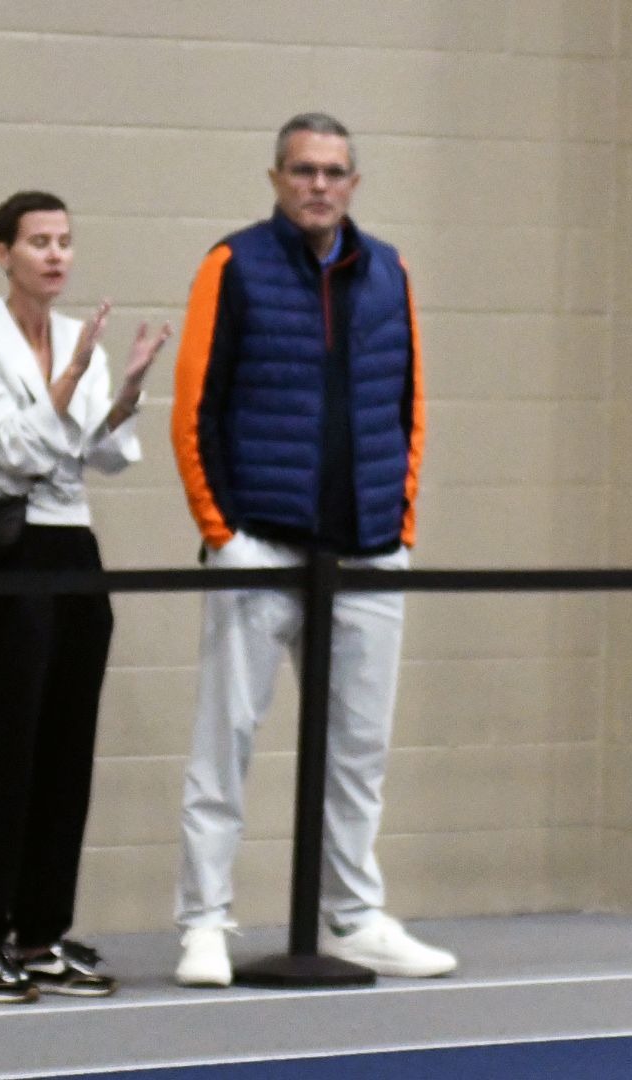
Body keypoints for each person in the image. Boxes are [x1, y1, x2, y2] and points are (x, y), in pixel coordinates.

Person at [168, 112, 454, 986]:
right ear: (276, 178)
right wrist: (224, 535)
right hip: (259, 548)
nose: (318, 185)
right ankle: (204, 925)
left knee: (358, 751)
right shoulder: (233, 264)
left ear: (353, 184)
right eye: (302, 170)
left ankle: (355, 915)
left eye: (333, 171)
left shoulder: (390, 271)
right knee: (226, 745)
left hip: (367, 552)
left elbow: (410, 405)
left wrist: (397, 527)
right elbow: (193, 409)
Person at [0, 190, 170, 1003]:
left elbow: (104, 459)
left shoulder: (84, 337)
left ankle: (40, 932)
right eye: (38, 241)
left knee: (67, 745)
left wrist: (123, 392)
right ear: (3, 253)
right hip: (8, 545)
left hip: (74, 540)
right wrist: (70, 388)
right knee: (3, 744)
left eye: (66, 241)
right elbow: (9, 450)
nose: (56, 255)